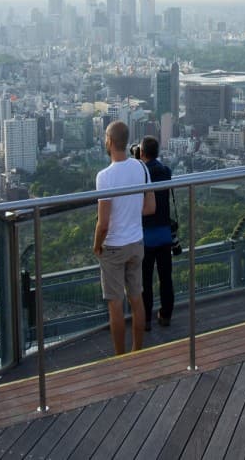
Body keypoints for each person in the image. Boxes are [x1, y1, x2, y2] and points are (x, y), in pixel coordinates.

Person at [94, 120, 156, 355]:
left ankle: (120, 357)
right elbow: (150, 207)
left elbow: (103, 224)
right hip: (136, 243)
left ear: (109, 142)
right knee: (136, 298)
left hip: (113, 246)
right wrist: (130, 210)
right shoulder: (141, 168)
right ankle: (137, 352)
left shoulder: (104, 177)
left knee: (115, 304)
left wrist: (96, 245)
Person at [139, 136, 175, 331]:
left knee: (145, 279)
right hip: (164, 233)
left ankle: (145, 319)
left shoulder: (141, 174)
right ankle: (166, 314)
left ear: (142, 152)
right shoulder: (165, 171)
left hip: (145, 235)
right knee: (165, 277)